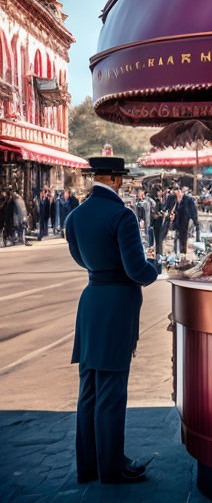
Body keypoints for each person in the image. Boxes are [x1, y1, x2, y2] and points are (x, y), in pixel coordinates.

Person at [65, 156, 159, 484]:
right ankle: (112, 467)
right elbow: (137, 271)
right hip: (117, 304)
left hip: (91, 301)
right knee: (112, 388)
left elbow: (78, 257)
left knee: (89, 386)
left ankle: (89, 466)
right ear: (117, 180)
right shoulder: (122, 215)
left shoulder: (75, 215)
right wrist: (156, 268)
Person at [172, 188, 198, 256]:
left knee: (183, 238)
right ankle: (176, 253)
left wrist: (195, 221)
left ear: (180, 191)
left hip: (185, 221)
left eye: (177, 192)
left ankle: (183, 253)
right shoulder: (175, 200)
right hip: (177, 222)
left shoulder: (188, 199)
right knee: (176, 238)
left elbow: (193, 211)